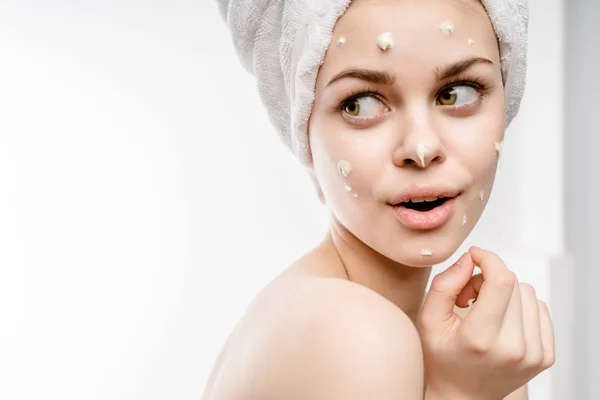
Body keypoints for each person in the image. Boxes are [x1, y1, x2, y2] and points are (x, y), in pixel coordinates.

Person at [203, 0, 554, 398]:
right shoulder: (352, 333)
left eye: (456, 93)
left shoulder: (464, 345)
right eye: (362, 103)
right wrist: (462, 392)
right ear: (301, 126)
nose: (421, 148)